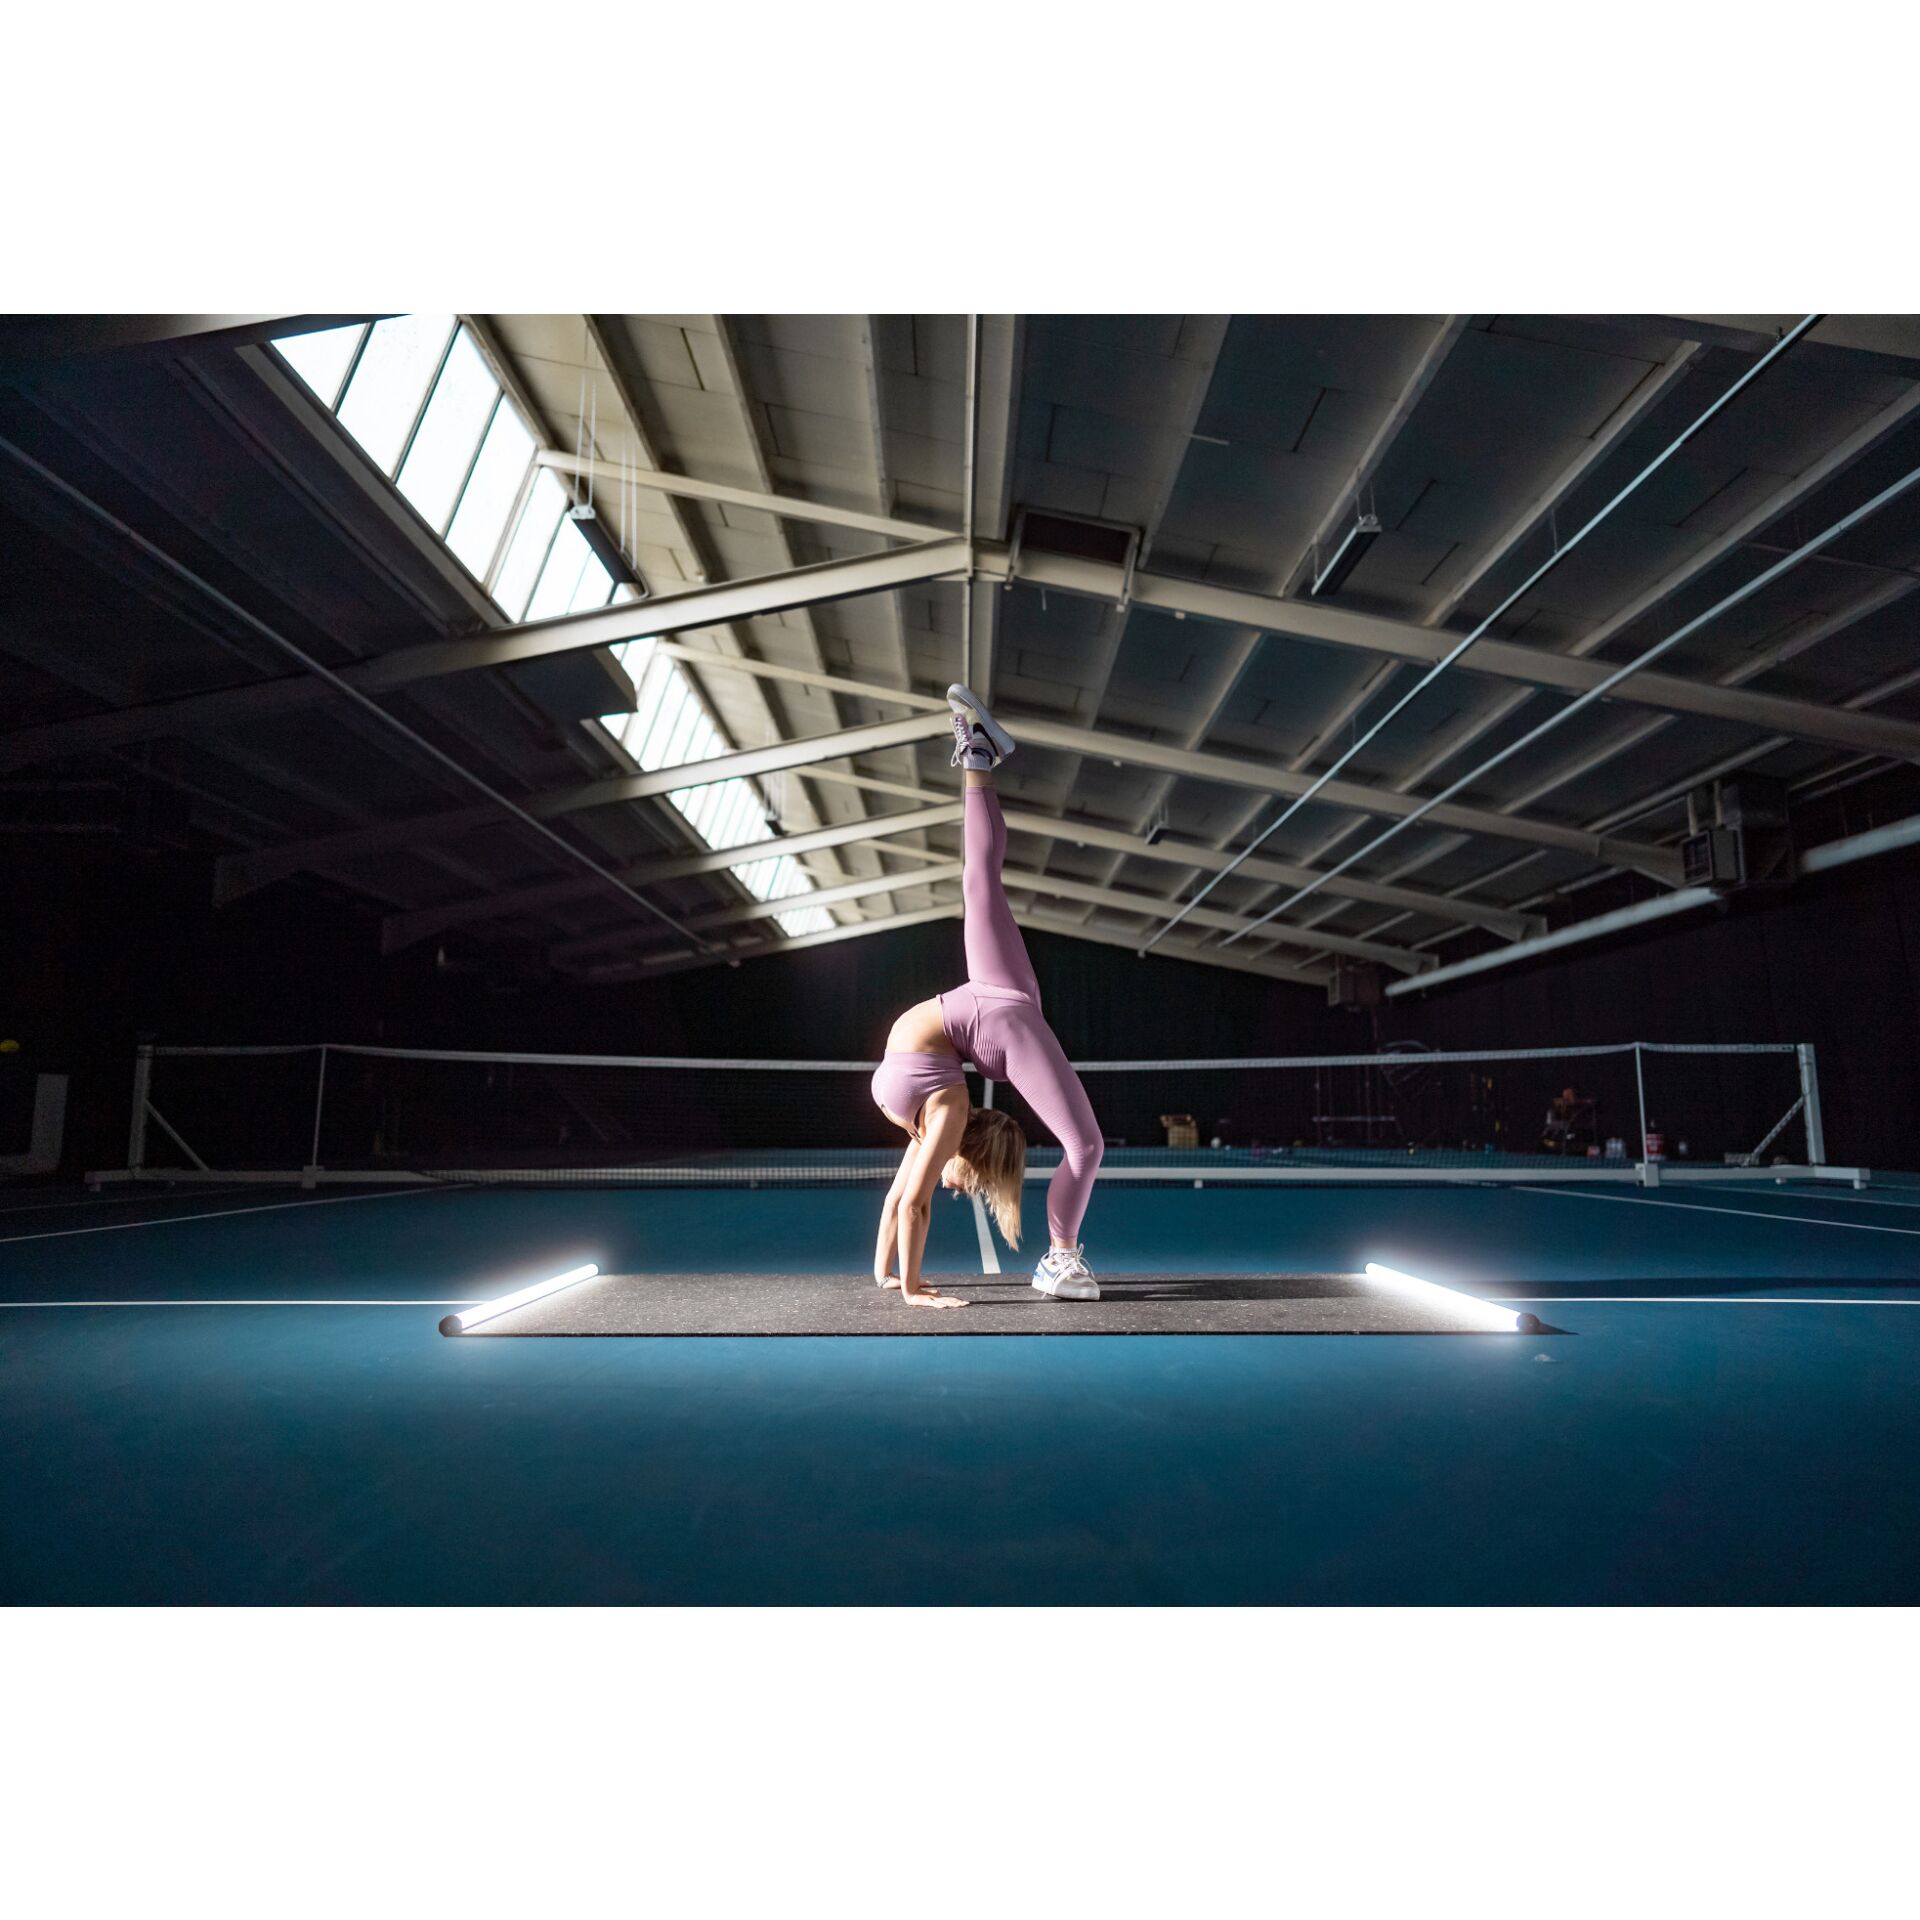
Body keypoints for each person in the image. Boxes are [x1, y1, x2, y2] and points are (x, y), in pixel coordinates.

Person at [870, 686, 1106, 1309]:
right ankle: (1059, 1257)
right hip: (999, 1018)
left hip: (991, 999)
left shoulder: (935, 1118)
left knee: (980, 883)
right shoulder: (944, 1112)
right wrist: (909, 1288)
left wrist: (889, 1276)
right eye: (965, 1182)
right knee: (1086, 1146)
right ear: (967, 1155)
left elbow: (901, 1201)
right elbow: (912, 1203)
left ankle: (978, 757)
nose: (953, 1187)